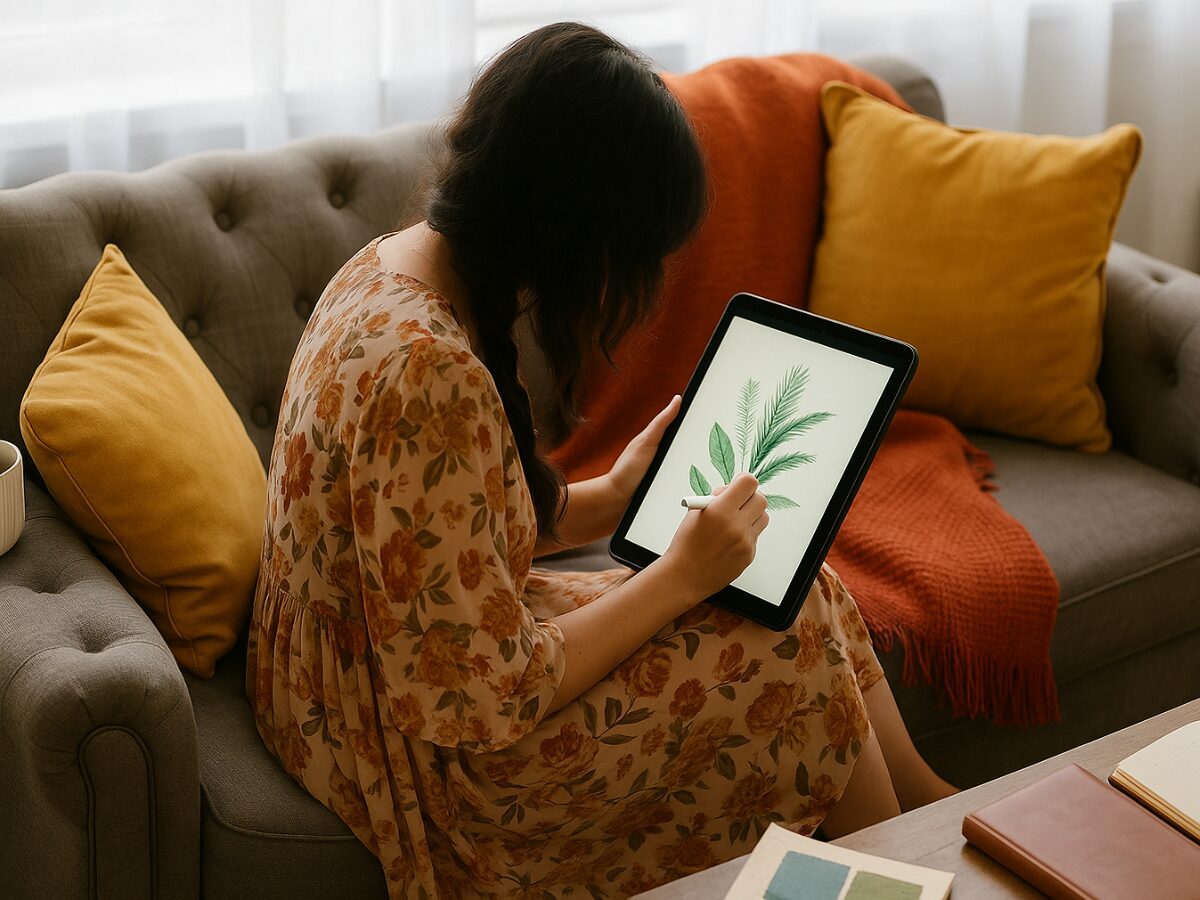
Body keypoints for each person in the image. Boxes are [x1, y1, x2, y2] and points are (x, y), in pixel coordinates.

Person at [247, 21, 955, 899]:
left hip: (400, 665)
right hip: (416, 751)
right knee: (788, 649)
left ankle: (925, 819)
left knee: (794, 586)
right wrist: (679, 577)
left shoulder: (392, 265)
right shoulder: (427, 372)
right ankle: (898, 867)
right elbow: (488, 698)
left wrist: (617, 496)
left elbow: (441, 546)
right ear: (576, 232)